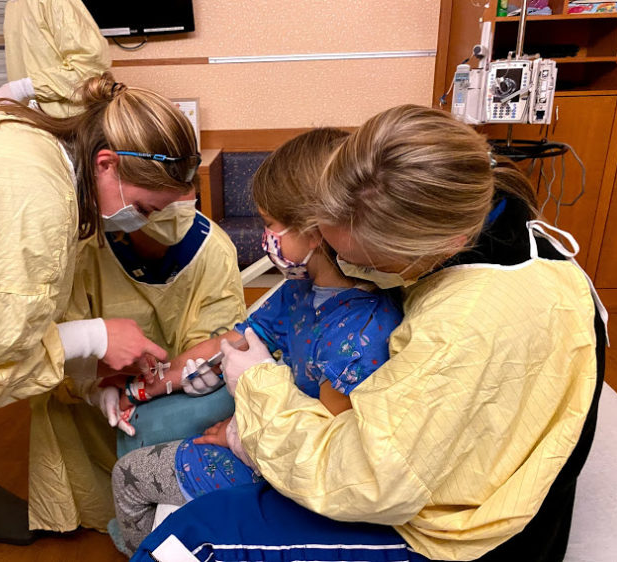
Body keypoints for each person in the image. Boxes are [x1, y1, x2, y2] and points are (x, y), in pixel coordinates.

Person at [131, 105, 607, 562]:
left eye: (366, 261)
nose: (351, 270)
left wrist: (252, 409)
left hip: (466, 539)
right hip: (438, 468)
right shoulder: (506, 230)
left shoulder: (459, 327)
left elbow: (366, 479)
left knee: (186, 543)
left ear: (435, 246)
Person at [0, 71, 200, 560]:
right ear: (106, 163)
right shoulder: (35, 201)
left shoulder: (21, 135)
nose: (144, 223)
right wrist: (95, 337)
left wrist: (90, 367)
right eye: (143, 207)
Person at [110, 128, 404, 556]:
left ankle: (146, 550)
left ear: (317, 230)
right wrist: (154, 384)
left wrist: (238, 438)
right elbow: (232, 343)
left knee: (129, 475)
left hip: (286, 472)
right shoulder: (302, 292)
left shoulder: (358, 335)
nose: (266, 238)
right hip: (266, 437)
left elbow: (328, 450)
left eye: (269, 224)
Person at [26, 197, 247, 532]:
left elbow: (215, 348)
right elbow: (49, 351)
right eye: (147, 201)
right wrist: (92, 388)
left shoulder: (210, 249)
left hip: (176, 413)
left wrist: (136, 390)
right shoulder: (85, 249)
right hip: (90, 413)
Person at [0, 0, 111, 118]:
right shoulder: (12, 5)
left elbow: (89, 68)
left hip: (72, 125)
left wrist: (22, 89)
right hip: (36, 121)